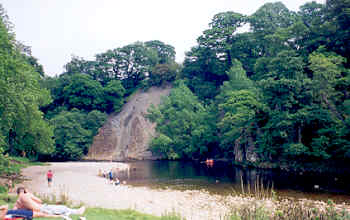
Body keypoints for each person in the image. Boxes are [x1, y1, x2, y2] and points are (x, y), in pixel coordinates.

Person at [14, 187, 85, 218]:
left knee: (59, 209)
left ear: (18, 193)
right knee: (62, 208)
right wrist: (30, 194)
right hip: (42, 208)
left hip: (38, 210)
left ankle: (72, 212)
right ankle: (77, 212)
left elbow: (14, 211)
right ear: (24, 191)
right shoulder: (27, 194)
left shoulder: (18, 202)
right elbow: (40, 201)